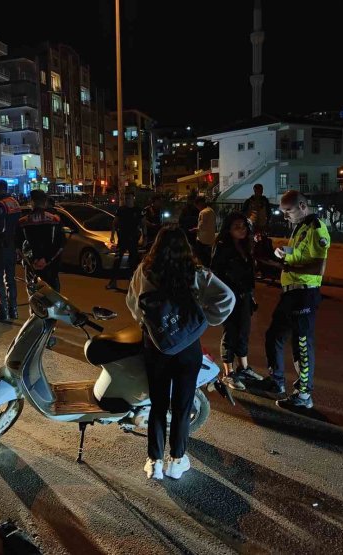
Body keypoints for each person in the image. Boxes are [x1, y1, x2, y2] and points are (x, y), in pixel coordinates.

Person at [126, 226, 235, 480]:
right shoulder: (195, 273)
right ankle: (176, 461)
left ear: (156, 246)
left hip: (156, 346)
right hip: (188, 348)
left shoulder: (145, 271)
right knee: (182, 405)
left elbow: (132, 302)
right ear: (186, 248)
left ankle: (154, 462)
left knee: (158, 404)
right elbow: (227, 298)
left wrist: (147, 323)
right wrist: (204, 319)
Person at [259, 190, 330, 409]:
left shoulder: (317, 228)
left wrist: (287, 265)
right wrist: (285, 251)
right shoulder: (301, 227)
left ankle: (303, 395)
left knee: (301, 344)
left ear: (301, 206)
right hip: (291, 292)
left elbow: (318, 267)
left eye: (287, 210)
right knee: (274, 335)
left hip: (304, 293)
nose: (285, 215)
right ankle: (276, 380)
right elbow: (302, 253)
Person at [211, 212, 264, 390]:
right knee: (231, 333)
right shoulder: (222, 247)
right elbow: (215, 275)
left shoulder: (245, 245)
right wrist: (226, 295)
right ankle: (228, 373)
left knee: (244, 332)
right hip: (229, 298)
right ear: (228, 229)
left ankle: (244, 367)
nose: (241, 230)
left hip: (245, 296)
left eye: (243, 226)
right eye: (236, 227)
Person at [0, 179, 21, 322]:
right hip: (12, 245)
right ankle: (14, 310)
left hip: (0, 246)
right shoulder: (15, 202)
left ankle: (3, 311)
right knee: (10, 279)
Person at [17, 189, 65, 292]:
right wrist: (47, 260)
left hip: (32, 267)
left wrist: (31, 260)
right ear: (45, 202)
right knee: (53, 299)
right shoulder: (54, 220)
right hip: (51, 268)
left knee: (35, 299)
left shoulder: (23, 221)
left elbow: (18, 245)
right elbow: (60, 244)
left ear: (32, 202)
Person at [106, 191, 144, 290]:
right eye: (126, 198)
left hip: (133, 240)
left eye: (129, 198)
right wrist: (112, 235)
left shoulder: (138, 210)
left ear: (133, 199)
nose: (127, 200)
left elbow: (143, 224)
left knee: (133, 262)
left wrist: (145, 236)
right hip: (122, 239)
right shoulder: (121, 210)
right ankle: (113, 282)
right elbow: (115, 222)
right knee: (117, 260)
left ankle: (132, 284)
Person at [195, 195, 216, 266]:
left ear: (200, 203)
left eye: (197, 205)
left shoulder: (203, 212)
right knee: (208, 259)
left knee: (201, 259)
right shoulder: (211, 210)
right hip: (211, 239)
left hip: (202, 240)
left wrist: (194, 229)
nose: (197, 208)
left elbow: (201, 227)